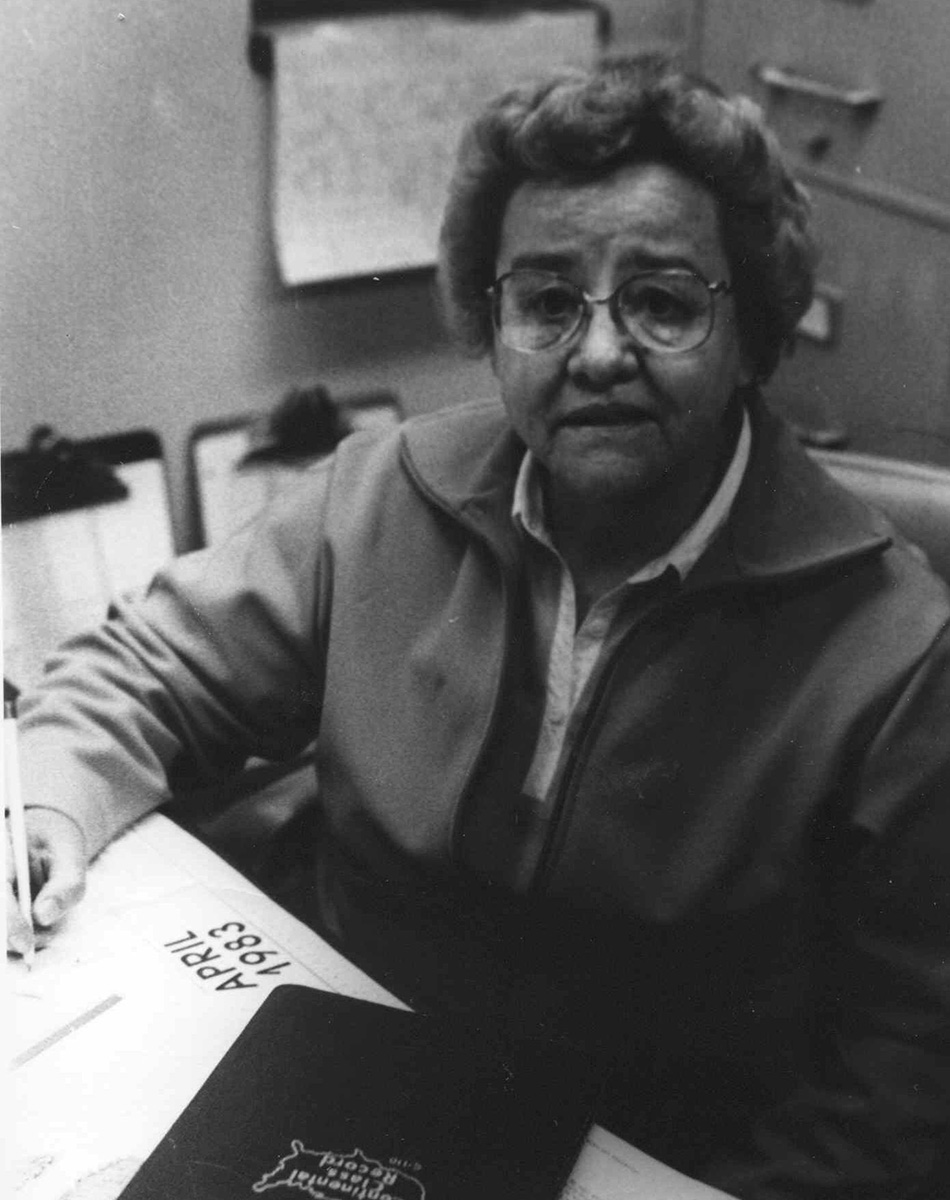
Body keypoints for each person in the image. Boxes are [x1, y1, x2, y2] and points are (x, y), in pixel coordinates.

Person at [7, 55, 950, 1198]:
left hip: (653, 1158)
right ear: (489, 323)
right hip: (348, 1080)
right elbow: (147, 668)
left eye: (660, 301)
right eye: (546, 302)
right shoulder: (379, 495)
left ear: (750, 331)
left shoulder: (896, 651)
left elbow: (907, 1078)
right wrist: (48, 801)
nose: (596, 355)